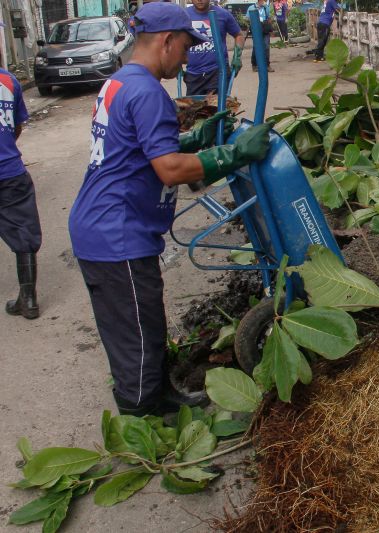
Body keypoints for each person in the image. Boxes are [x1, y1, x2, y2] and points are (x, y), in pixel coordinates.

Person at [68, 2, 271, 417]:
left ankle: (159, 394)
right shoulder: (148, 93)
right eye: (184, 46)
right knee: (136, 333)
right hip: (116, 233)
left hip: (105, 225)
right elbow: (168, 169)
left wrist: (194, 140)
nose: (185, 58)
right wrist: (231, 155)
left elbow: (134, 148)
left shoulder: (121, 82)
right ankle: (141, 416)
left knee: (144, 320)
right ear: (165, 41)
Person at [0, 65, 41, 320]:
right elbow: (16, 127)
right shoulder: (9, 80)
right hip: (10, 172)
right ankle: (29, 299)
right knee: (24, 234)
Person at [184, 0, 245, 95]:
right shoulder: (184, 15)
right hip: (193, 74)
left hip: (218, 72)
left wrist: (237, 56)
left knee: (217, 107)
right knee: (194, 108)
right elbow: (175, 38)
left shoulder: (223, 14)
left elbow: (239, 35)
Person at [248, 0, 274, 72]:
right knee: (256, 47)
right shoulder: (251, 8)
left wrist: (270, 29)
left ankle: (267, 65)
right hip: (256, 30)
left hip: (265, 30)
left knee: (266, 47)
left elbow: (269, 18)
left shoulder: (266, 8)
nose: (264, 2)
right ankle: (254, 65)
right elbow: (248, 18)